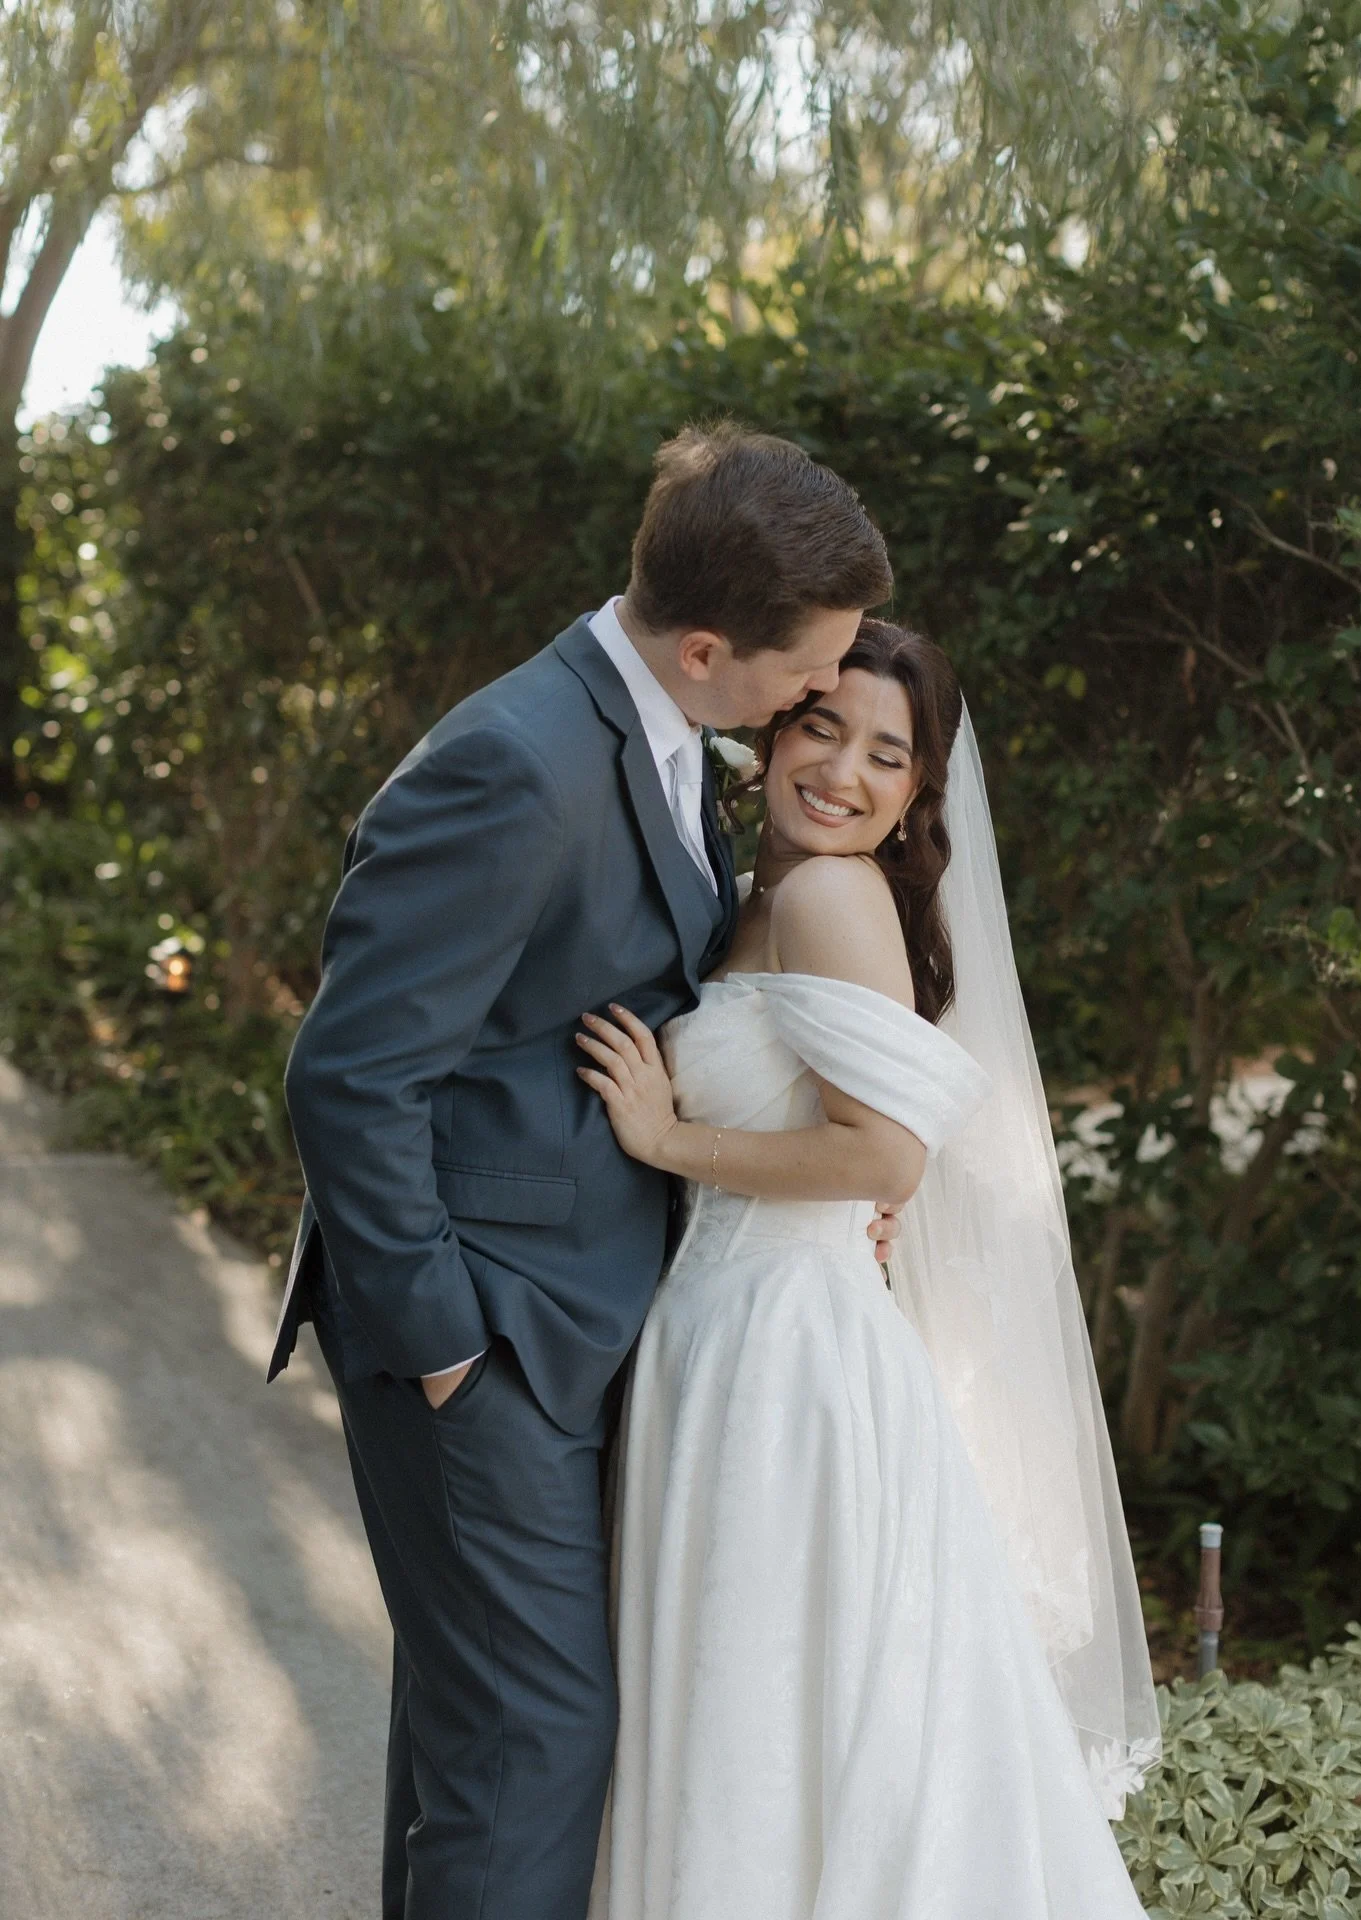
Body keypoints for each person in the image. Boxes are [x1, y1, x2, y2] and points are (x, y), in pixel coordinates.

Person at [268, 422, 896, 1919]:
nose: (821, 693)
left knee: (475, 1735)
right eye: (808, 667)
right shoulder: (514, 763)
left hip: (580, 1322)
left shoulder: (666, 738)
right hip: (486, 1341)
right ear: (699, 647)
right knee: (540, 1744)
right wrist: (443, 1355)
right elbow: (350, 1078)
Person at [579, 620, 1161, 1920]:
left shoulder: (833, 893)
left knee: (775, 1706)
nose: (841, 769)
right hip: (739, 1330)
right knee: (766, 1703)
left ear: (915, 797)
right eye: (822, 725)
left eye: (886, 754)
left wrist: (670, 1137)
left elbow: (885, 1158)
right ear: (776, 727)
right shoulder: (758, 901)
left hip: (787, 1359)